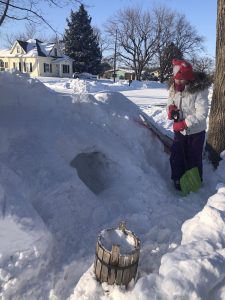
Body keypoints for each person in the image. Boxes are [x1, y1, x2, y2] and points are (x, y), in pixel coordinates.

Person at [167, 59, 211, 190]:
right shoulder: (173, 87)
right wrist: (171, 109)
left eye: (182, 79)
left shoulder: (198, 90)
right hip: (179, 130)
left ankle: (195, 182)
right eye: (176, 79)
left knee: (193, 158)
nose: (178, 82)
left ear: (188, 78)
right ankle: (177, 179)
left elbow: (202, 113)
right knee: (176, 155)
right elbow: (170, 101)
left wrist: (184, 124)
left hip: (196, 132)